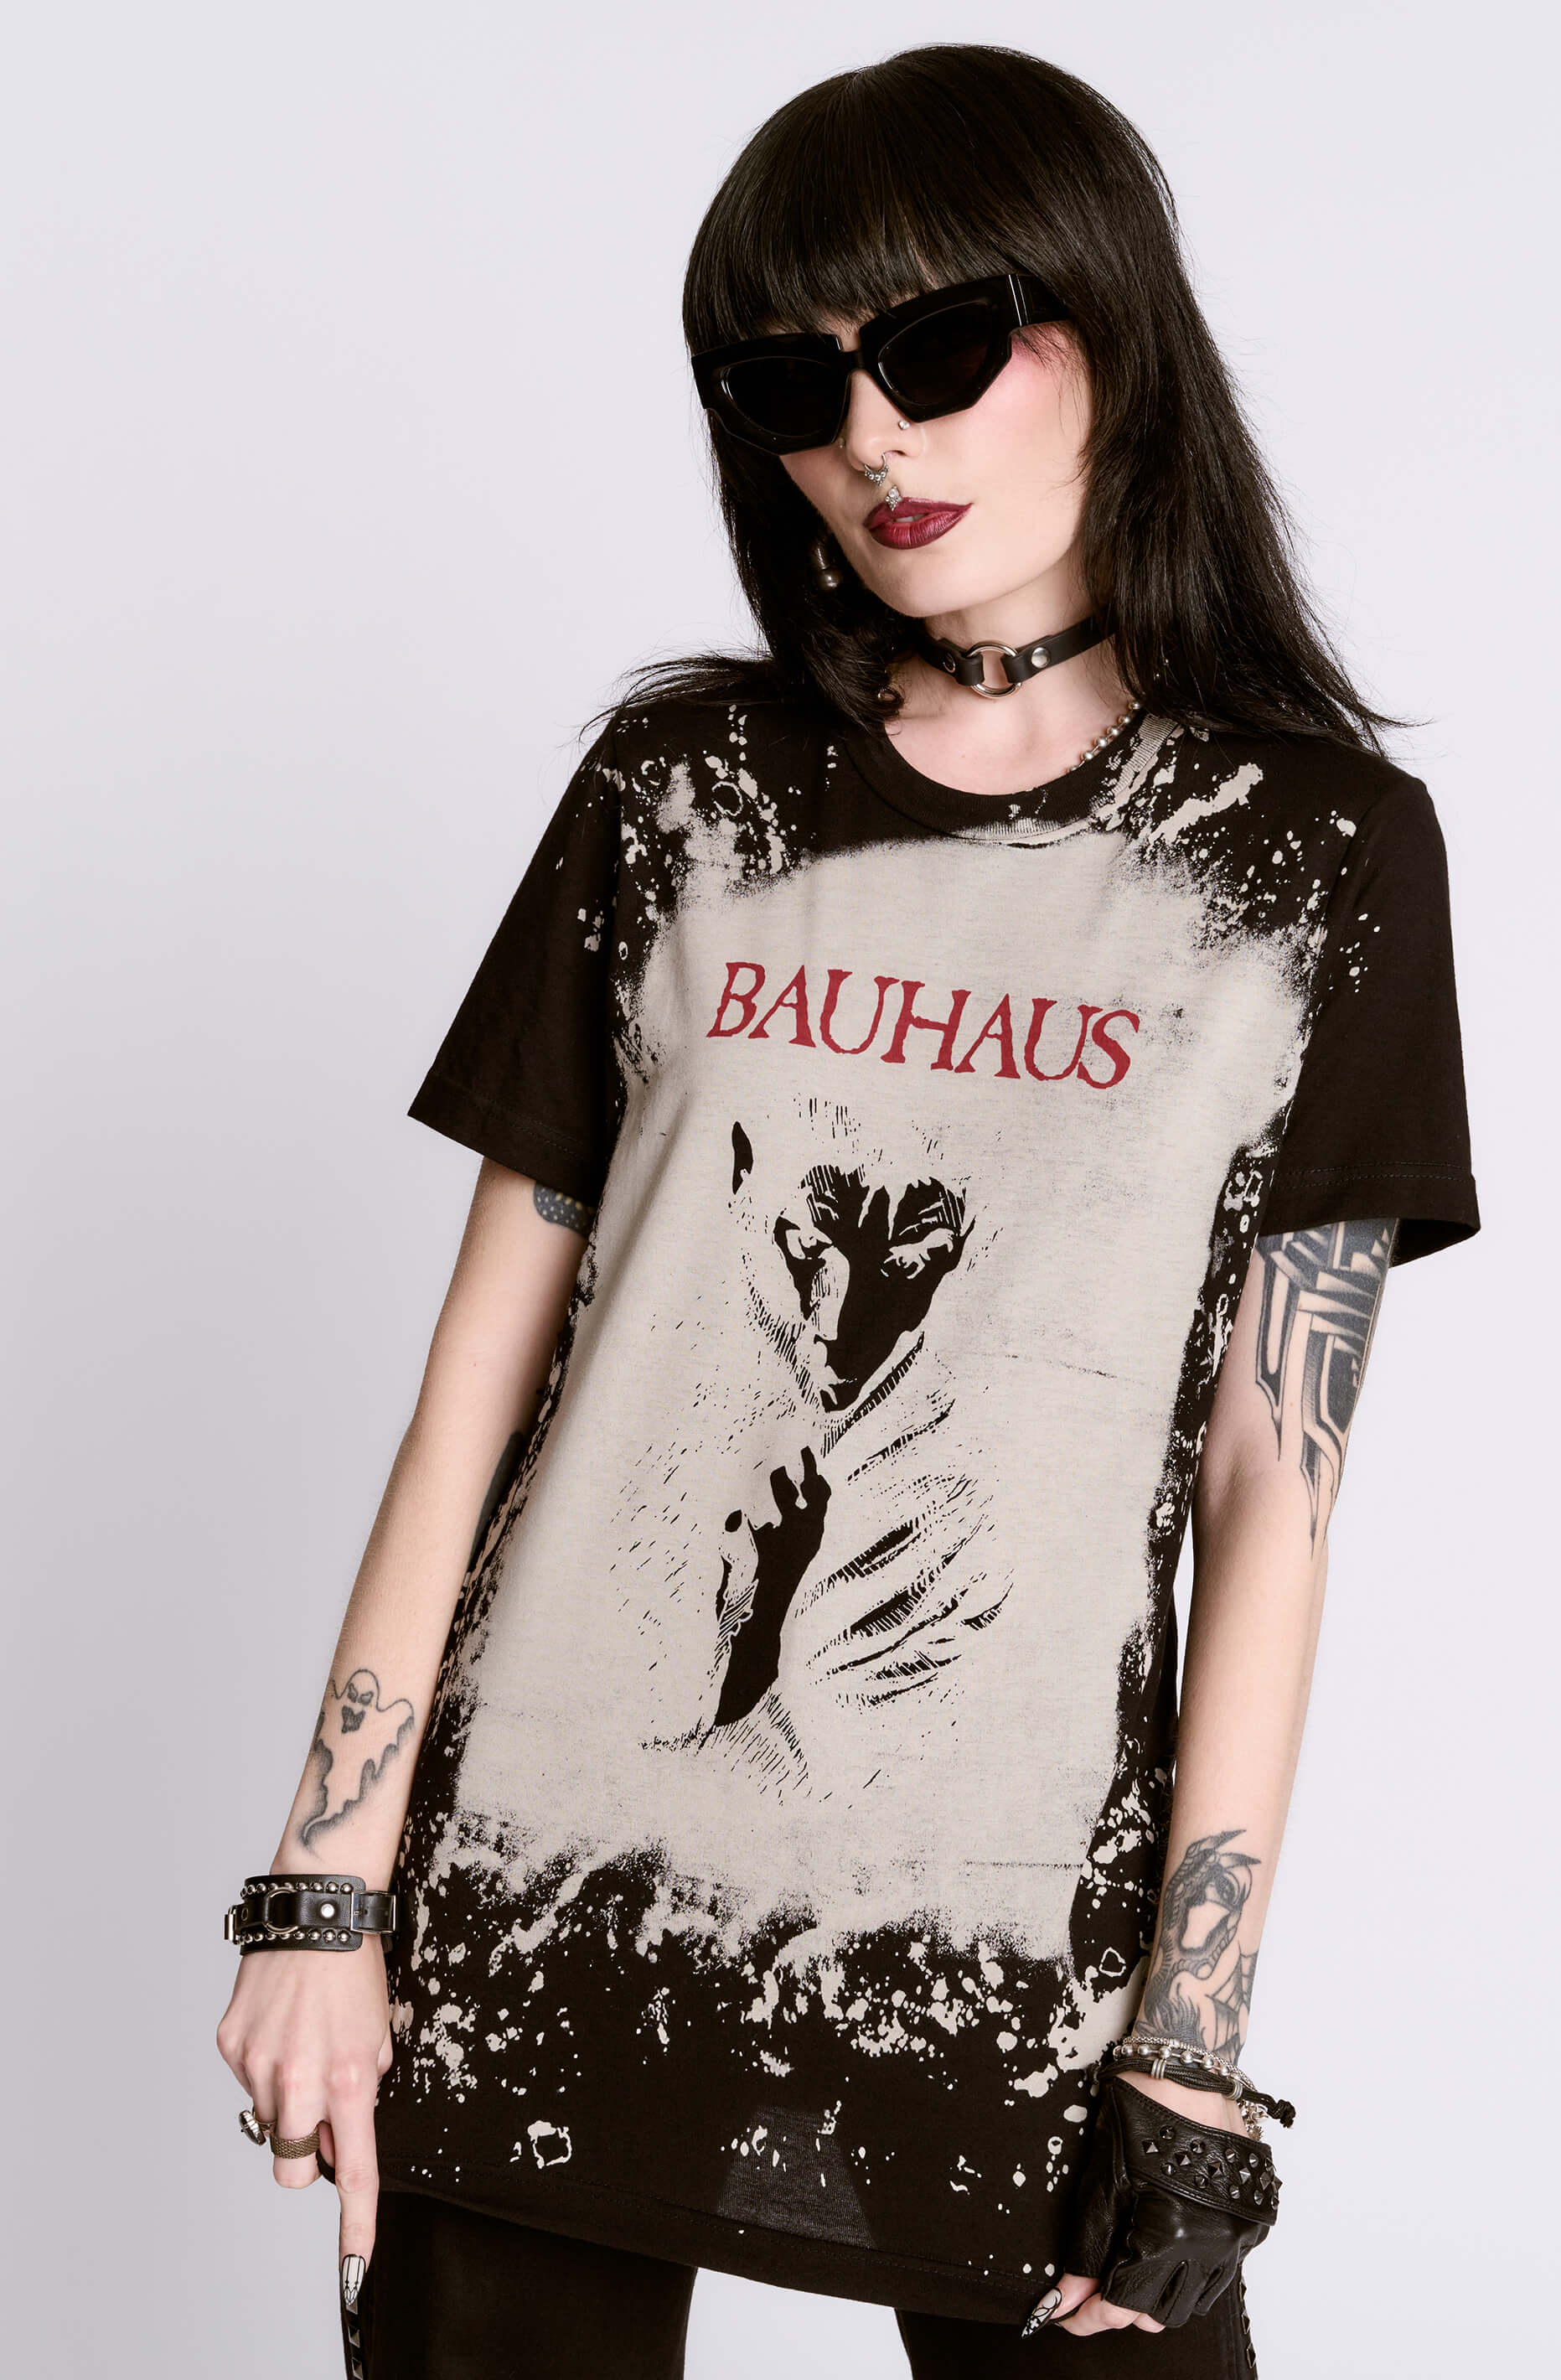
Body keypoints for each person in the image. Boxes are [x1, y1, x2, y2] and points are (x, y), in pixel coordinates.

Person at [215, 44, 1476, 2380]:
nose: (876, 437)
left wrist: (1193, 2048)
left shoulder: (1311, 862)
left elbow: (1267, 1485)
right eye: (794, 385)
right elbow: (480, 1378)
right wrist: (323, 1888)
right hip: (538, 1900)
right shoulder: (681, 792)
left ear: (1111, 328)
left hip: (997, 1947)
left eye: (939, 347)